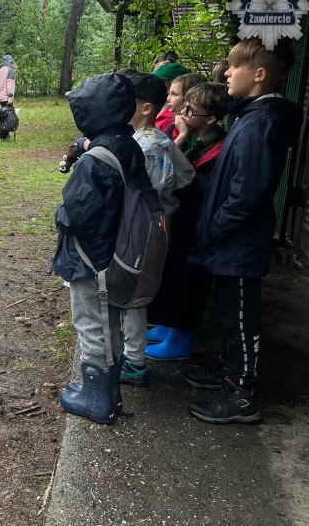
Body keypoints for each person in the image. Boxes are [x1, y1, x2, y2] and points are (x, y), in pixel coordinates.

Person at [186, 38, 301, 424]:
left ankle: (241, 393)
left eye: (235, 67)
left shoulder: (260, 123)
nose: (228, 72)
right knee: (227, 312)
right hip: (231, 241)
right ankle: (229, 372)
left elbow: (247, 192)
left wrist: (216, 229)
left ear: (260, 74)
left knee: (239, 316)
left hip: (238, 242)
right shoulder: (250, 116)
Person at [53, 73, 147, 424]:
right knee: (108, 324)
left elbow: (73, 216)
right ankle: (107, 393)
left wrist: (59, 214)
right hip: (117, 252)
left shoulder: (96, 160)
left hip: (91, 258)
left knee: (92, 324)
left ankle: (97, 399)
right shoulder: (127, 143)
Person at [118, 73, 194, 387]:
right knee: (136, 293)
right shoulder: (157, 138)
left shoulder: (147, 144)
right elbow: (186, 175)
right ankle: (132, 354)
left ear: (147, 107)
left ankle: (134, 362)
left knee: (133, 296)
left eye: (127, 102)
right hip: (155, 225)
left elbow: (142, 189)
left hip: (144, 228)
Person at [145, 82, 230, 361]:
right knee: (173, 276)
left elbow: (189, 179)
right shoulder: (194, 138)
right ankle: (169, 326)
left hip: (197, 225)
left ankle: (181, 339)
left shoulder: (216, 150)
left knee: (189, 282)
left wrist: (179, 138)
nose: (182, 112)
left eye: (190, 109)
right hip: (182, 222)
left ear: (211, 119)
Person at [156, 72, 206, 143]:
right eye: (169, 93)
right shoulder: (174, 125)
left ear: (189, 98)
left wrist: (182, 135)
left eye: (174, 94)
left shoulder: (196, 130)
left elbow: (166, 154)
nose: (168, 98)